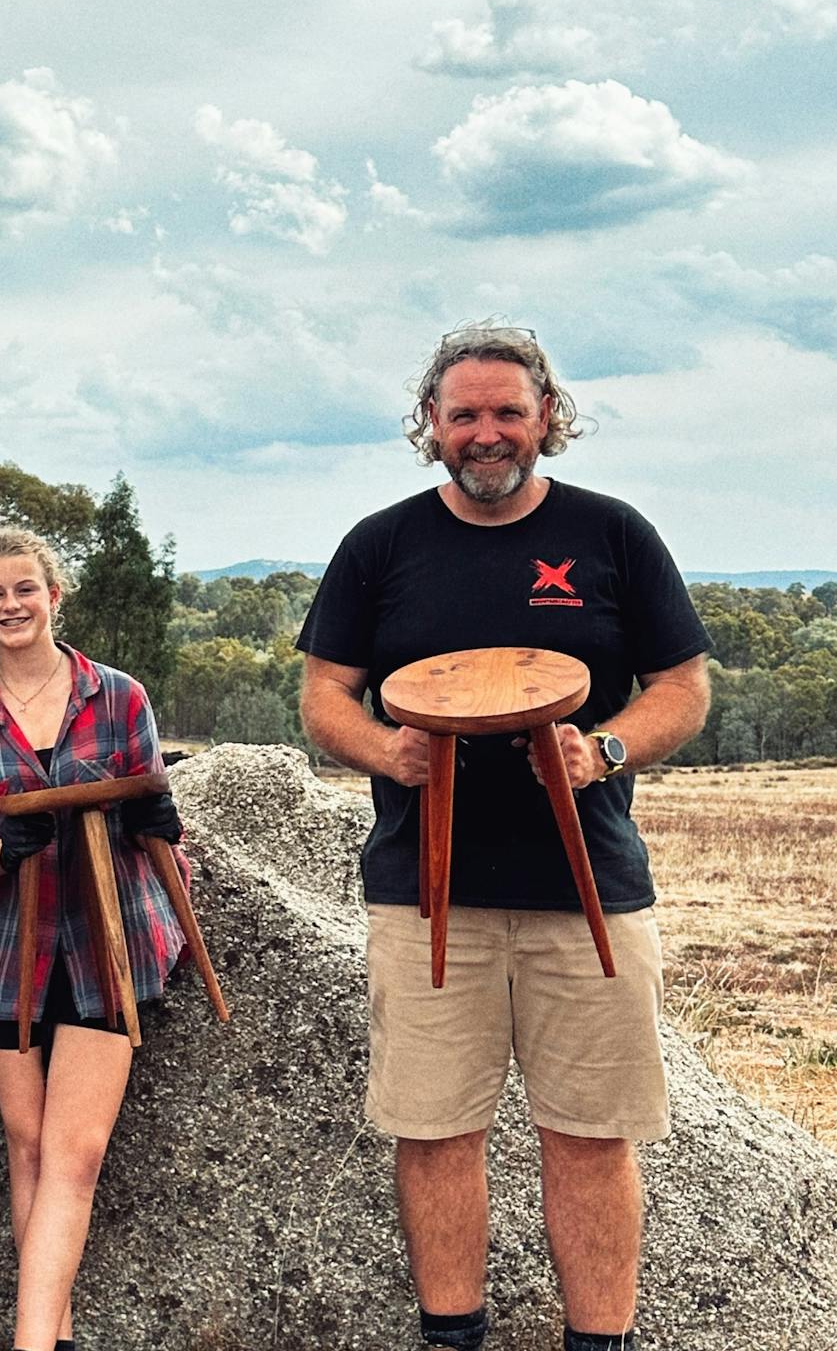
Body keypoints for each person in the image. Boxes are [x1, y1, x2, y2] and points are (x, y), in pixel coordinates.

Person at [296, 321, 711, 1351]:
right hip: (423, 891)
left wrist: (601, 753)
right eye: (463, 415)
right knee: (434, 1133)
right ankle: (452, 1337)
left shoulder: (610, 533)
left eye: (507, 414)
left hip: (587, 887)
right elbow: (322, 698)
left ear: (546, 420)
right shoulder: (380, 545)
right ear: (428, 427)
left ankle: (596, 1342)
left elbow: (681, 688)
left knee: (589, 1134)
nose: (485, 434)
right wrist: (384, 753)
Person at [0, 527, 188, 1351]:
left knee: (73, 1155)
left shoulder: (119, 697)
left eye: (25, 590)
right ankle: (59, 1335)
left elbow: (159, 823)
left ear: (55, 595)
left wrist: (161, 819)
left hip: (108, 943)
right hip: (7, 950)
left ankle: (30, 1343)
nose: (11, 605)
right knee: (28, 1145)